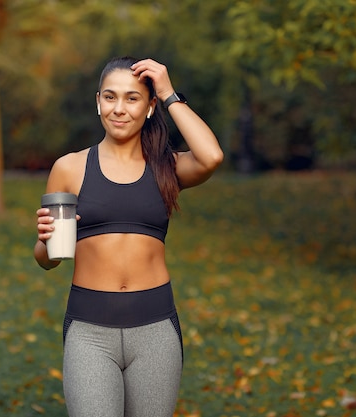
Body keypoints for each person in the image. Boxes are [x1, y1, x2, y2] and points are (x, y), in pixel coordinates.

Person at [34, 56, 223, 417]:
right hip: (89, 332)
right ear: (98, 102)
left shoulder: (167, 167)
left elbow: (212, 156)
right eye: (110, 97)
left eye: (132, 98)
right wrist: (45, 242)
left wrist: (168, 93)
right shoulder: (69, 167)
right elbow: (48, 259)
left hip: (155, 332)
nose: (119, 109)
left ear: (150, 107)